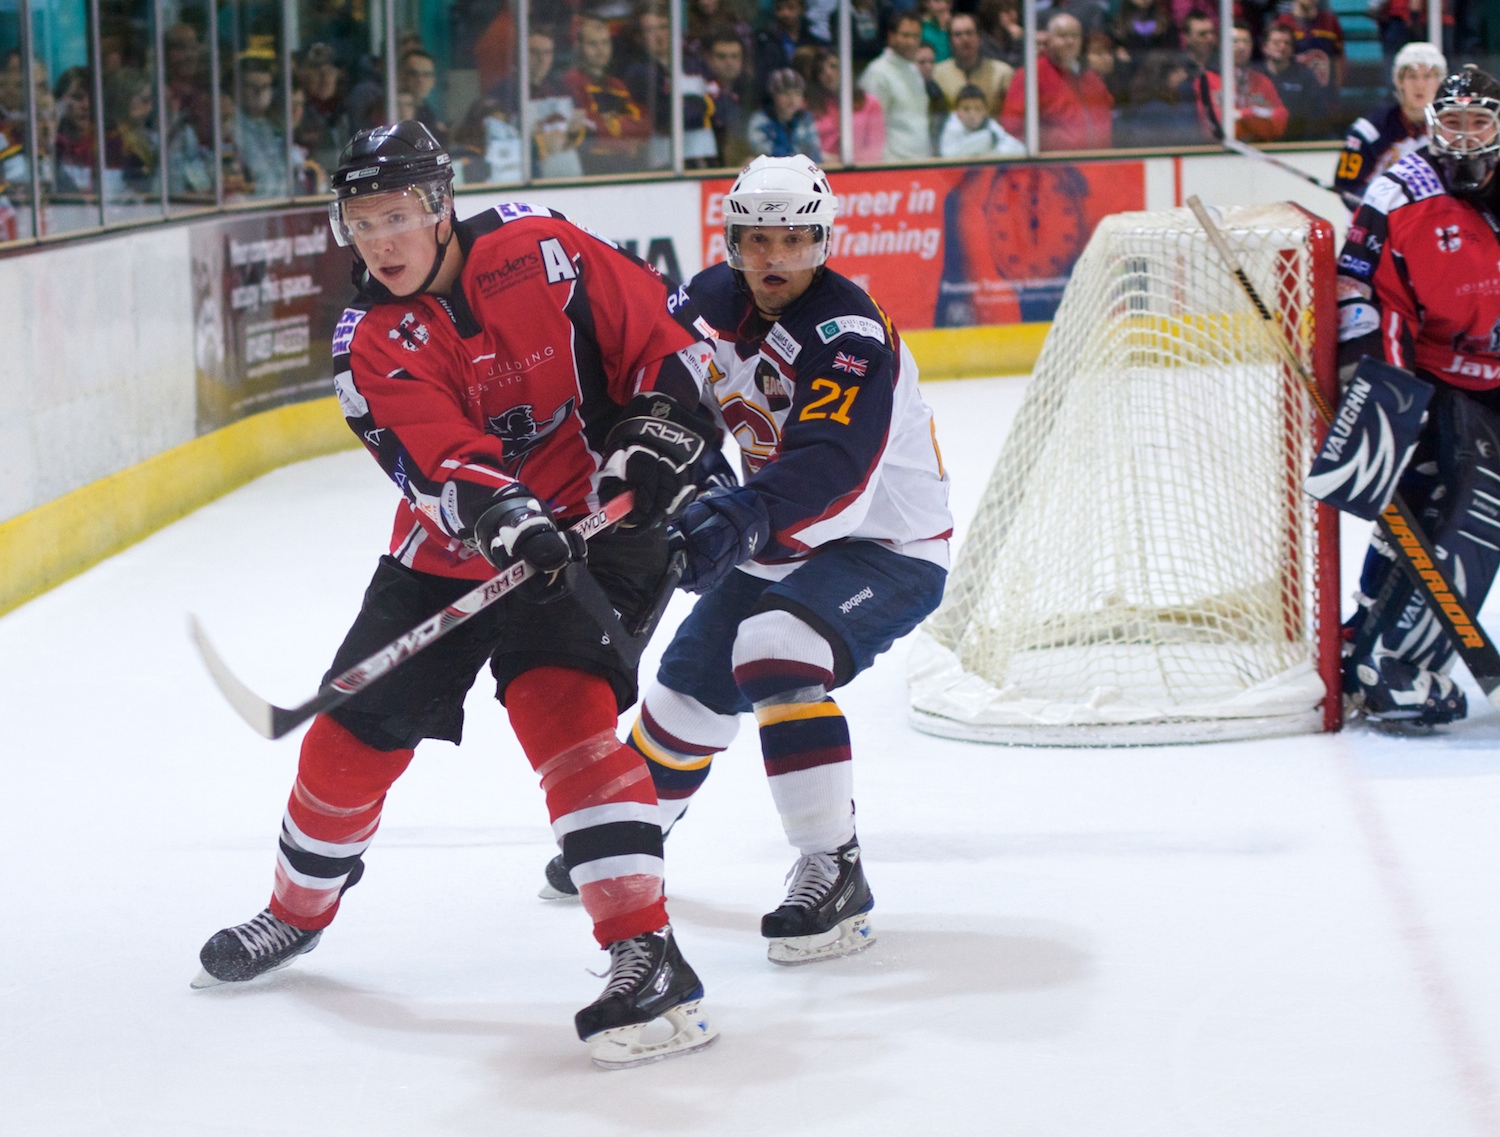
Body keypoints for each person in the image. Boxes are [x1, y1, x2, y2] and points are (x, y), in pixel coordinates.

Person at [191, 120, 722, 1068]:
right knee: (347, 741)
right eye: (360, 222)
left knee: (566, 717)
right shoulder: (369, 341)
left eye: (396, 215)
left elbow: (663, 337)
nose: (380, 242)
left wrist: (658, 434)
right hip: (447, 552)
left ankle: (647, 953)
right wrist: (507, 514)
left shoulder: (542, 249)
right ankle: (294, 912)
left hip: (593, 533)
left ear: (441, 206)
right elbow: (441, 464)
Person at [539, 155, 952, 967]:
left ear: (822, 242)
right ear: (731, 238)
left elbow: (835, 472)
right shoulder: (708, 301)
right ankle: (638, 829)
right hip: (781, 539)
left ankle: (836, 867)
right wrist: (674, 470)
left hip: (887, 545)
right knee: (688, 687)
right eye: (757, 239)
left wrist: (736, 516)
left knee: (774, 649)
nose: (772, 259)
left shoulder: (849, 336)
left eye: (794, 241)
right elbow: (670, 391)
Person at [1335, 66, 1500, 728]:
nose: (1463, 139)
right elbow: (1364, 300)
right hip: (1438, 378)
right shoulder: (1400, 192)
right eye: (1451, 123)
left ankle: (1371, 640)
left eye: (1478, 123)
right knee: (1457, 511)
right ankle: (1389, 657)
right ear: (1433, 127)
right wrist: (1396, 412)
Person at [1333, 40, 1446, 211]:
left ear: (1439, 82)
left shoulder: (1450, 130)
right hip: (1380, 229)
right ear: (1399, 81)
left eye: (1428, 76)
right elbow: (1348, 188)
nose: (1420, 85)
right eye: (1412, 76)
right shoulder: (1369, 131)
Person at [1000, 11, 1113, 151]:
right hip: (1052, 165)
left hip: (1095, 163)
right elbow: (1013, 125)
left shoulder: (1091, 78)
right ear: (1049, 40)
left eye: (1074, 36)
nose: (1070, 41)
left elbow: (1106, 119)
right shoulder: (1031, 74)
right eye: (1063, 35)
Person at [564, 15, 652, 175]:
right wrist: (624, 135)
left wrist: (611, 123)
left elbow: (643, 126)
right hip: (591, 167)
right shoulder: (572, 81)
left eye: (605, 42)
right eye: (593, 44)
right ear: (578, 46)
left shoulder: (617, 84)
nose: (601, 50)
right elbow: (588, 128)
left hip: (625, 166)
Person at [1193, 22, 1287, 143]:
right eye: (1235, 41)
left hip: (1260, 149)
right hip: (1220, 153)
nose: (1241, 47)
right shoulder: (1206, 80)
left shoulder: (1262, 81)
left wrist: (1241, 115)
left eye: (1246, 42)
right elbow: (1214, 123)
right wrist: (1258, 115)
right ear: (1222, 46)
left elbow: (1281, 120)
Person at [860, 11, 933, 160]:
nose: (911, 42)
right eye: (905, 35)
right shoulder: (878, 73)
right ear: (891, 36)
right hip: (892, 165)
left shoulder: (914, 71)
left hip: (921, 162)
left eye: (915, 36)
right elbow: (870, 128)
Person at [1256, 21, 1333, 142]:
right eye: (1276, 43)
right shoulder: (1254, 76)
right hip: (1260, 144)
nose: (1282, 47)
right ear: (1265, 47)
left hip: (1296, 145)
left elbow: (1317, 116)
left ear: (1292, 48)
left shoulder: (1306, 77)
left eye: (1287, 43)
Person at [933, 11, 1014, 115]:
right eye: (958, 35)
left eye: (969, 33)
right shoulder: (937, 74)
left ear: (979, 37)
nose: (965, 39)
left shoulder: (1003, 73)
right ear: (950, 40)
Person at [748, 67, 822, 160]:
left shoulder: (805, 119)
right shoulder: (760, 121)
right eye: (785, 93)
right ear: (773, 95)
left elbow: (813, 152)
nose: (792, 99)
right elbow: (762, 154)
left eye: (797, 93)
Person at [939, 83, 1025, 156]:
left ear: (986, 111)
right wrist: (985, 139)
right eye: (966, 109)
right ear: (957, 111)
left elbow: (1019, 149)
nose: (972, 114)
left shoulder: (990, 125)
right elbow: (949, 155)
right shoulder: (952, 127)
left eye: (978, 109)